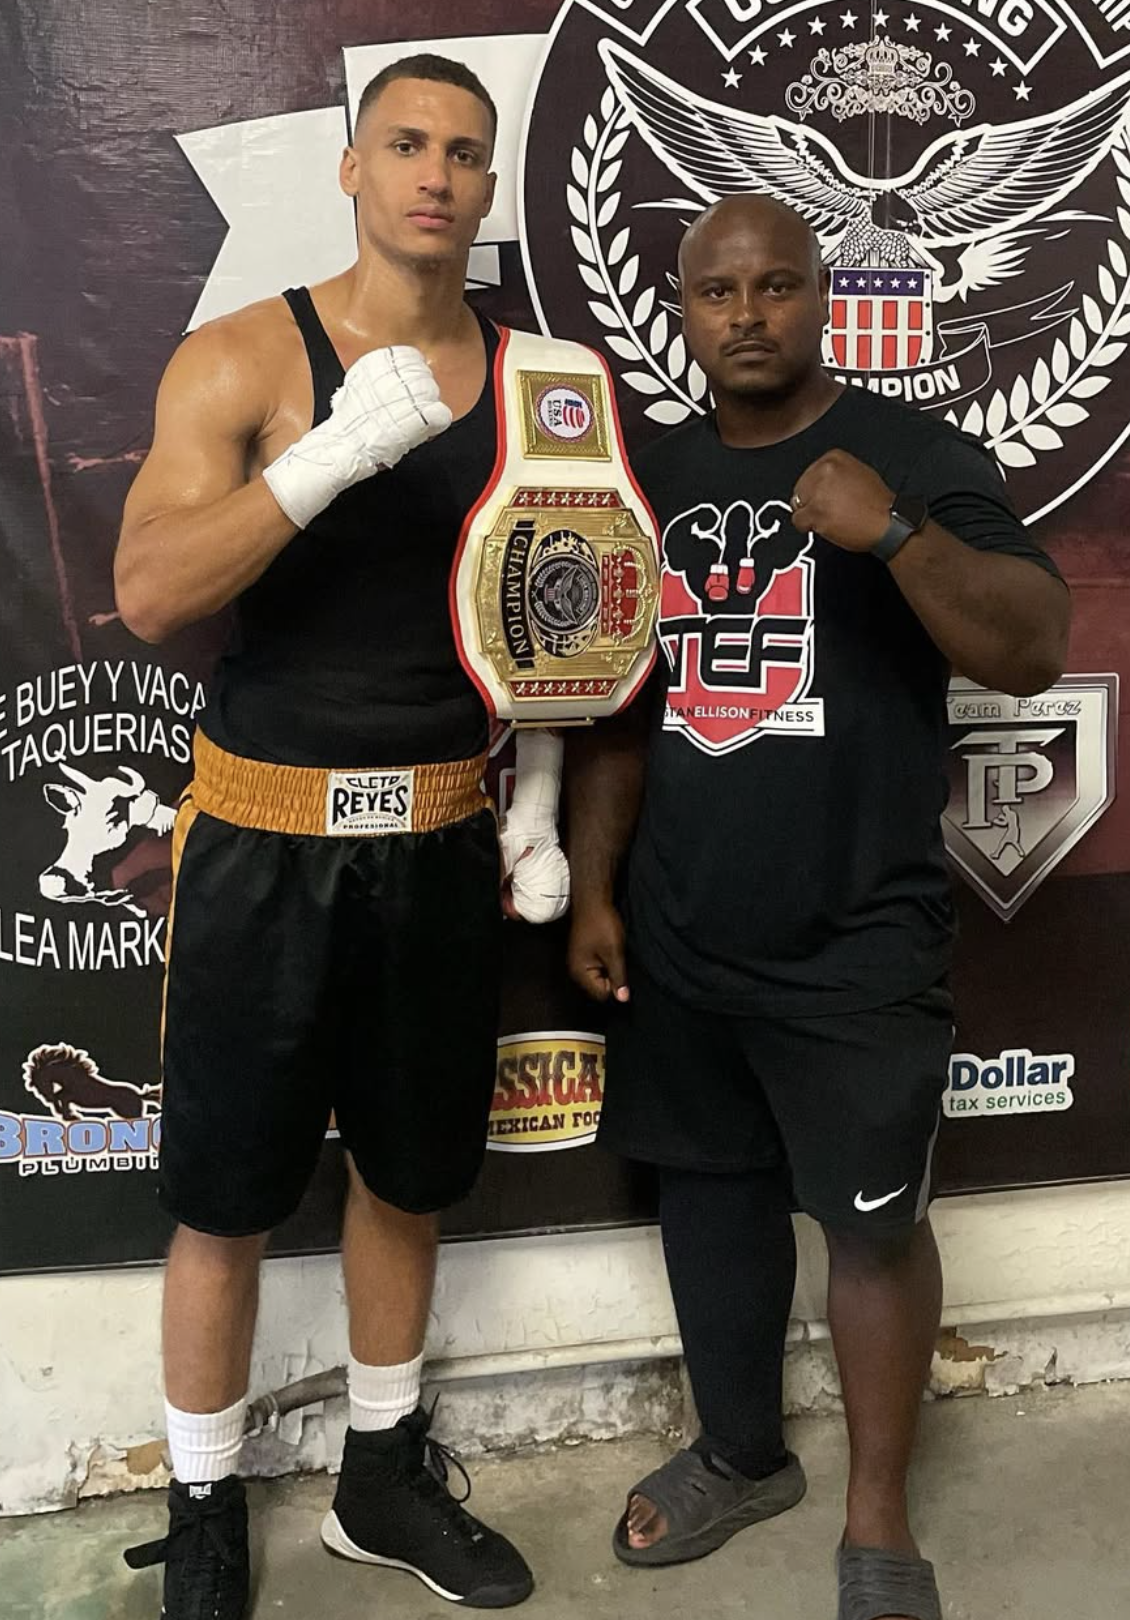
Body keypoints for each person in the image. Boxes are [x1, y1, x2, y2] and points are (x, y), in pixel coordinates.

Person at [566, 195, 1070, 1620]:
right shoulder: (646, 477)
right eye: (716, 291)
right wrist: (595, 885)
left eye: (775, 285)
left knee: (870, 1230)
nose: (745, 313)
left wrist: (896, 531)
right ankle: (740, 1457)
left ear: (822, 298)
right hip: (680, 928)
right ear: (683, 308)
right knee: (709, 1201)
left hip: (858, 932)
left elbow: (1033, 646)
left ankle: (877, 1523)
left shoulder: (913, 455)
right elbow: (615, 710)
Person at [114, 55, 562, 1619]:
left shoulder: (534, 384)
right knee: (224, 1195)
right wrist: (324, 458)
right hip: (262, 837)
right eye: (407, 145)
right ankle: (203, 1502)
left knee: (410, 1173)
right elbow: (156, 593)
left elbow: (568, 626)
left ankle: (381, 1474)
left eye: (464, 152)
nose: (435, 172)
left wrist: (549, 810)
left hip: (441, 830)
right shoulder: (242, 357)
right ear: (354, 172)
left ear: (489, 191)